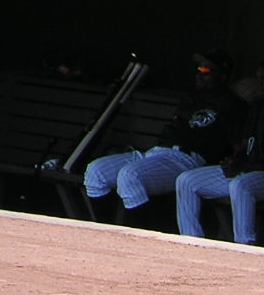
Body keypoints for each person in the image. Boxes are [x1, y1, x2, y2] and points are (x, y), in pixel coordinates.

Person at [84, 49, 244, 223]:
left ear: (222, 77)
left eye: (206, 71)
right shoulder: (191, 98)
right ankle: (106, 235)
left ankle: (136, 241)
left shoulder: (232, 104)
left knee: (130, 176)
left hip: (186, 160)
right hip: (157, 153)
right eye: (198, 70)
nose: (199, 75)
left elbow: (237, 145)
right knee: (96, 171)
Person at [175, 57, 264, 245]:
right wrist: (234, 161)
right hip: (251, 173)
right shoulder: (258, 107)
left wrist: (246, 167)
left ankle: (245, 248)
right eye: (258, 79)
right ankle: (191, 244)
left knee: (241, 186)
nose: (259, 85)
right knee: (186, 180)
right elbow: (243, 146)